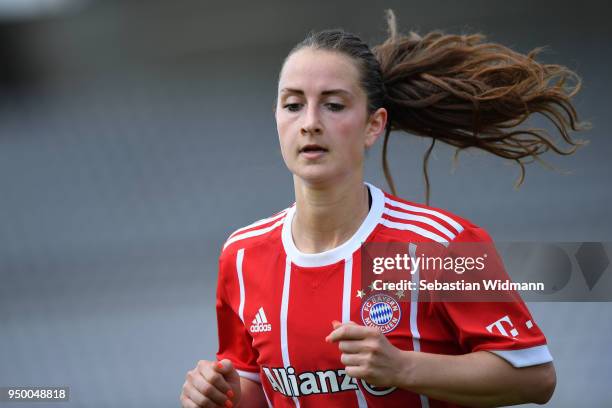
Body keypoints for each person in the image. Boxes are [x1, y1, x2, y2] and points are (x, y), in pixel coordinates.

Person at [180, 10, 586, 408]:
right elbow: (258, 390)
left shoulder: (440, 244)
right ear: (276, 118)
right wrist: (220, 396)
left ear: (374, 124)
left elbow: (534, 376)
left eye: (334, 105)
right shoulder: (243, 255)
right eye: (292, 105)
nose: (309, 123)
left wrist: (402, 367)